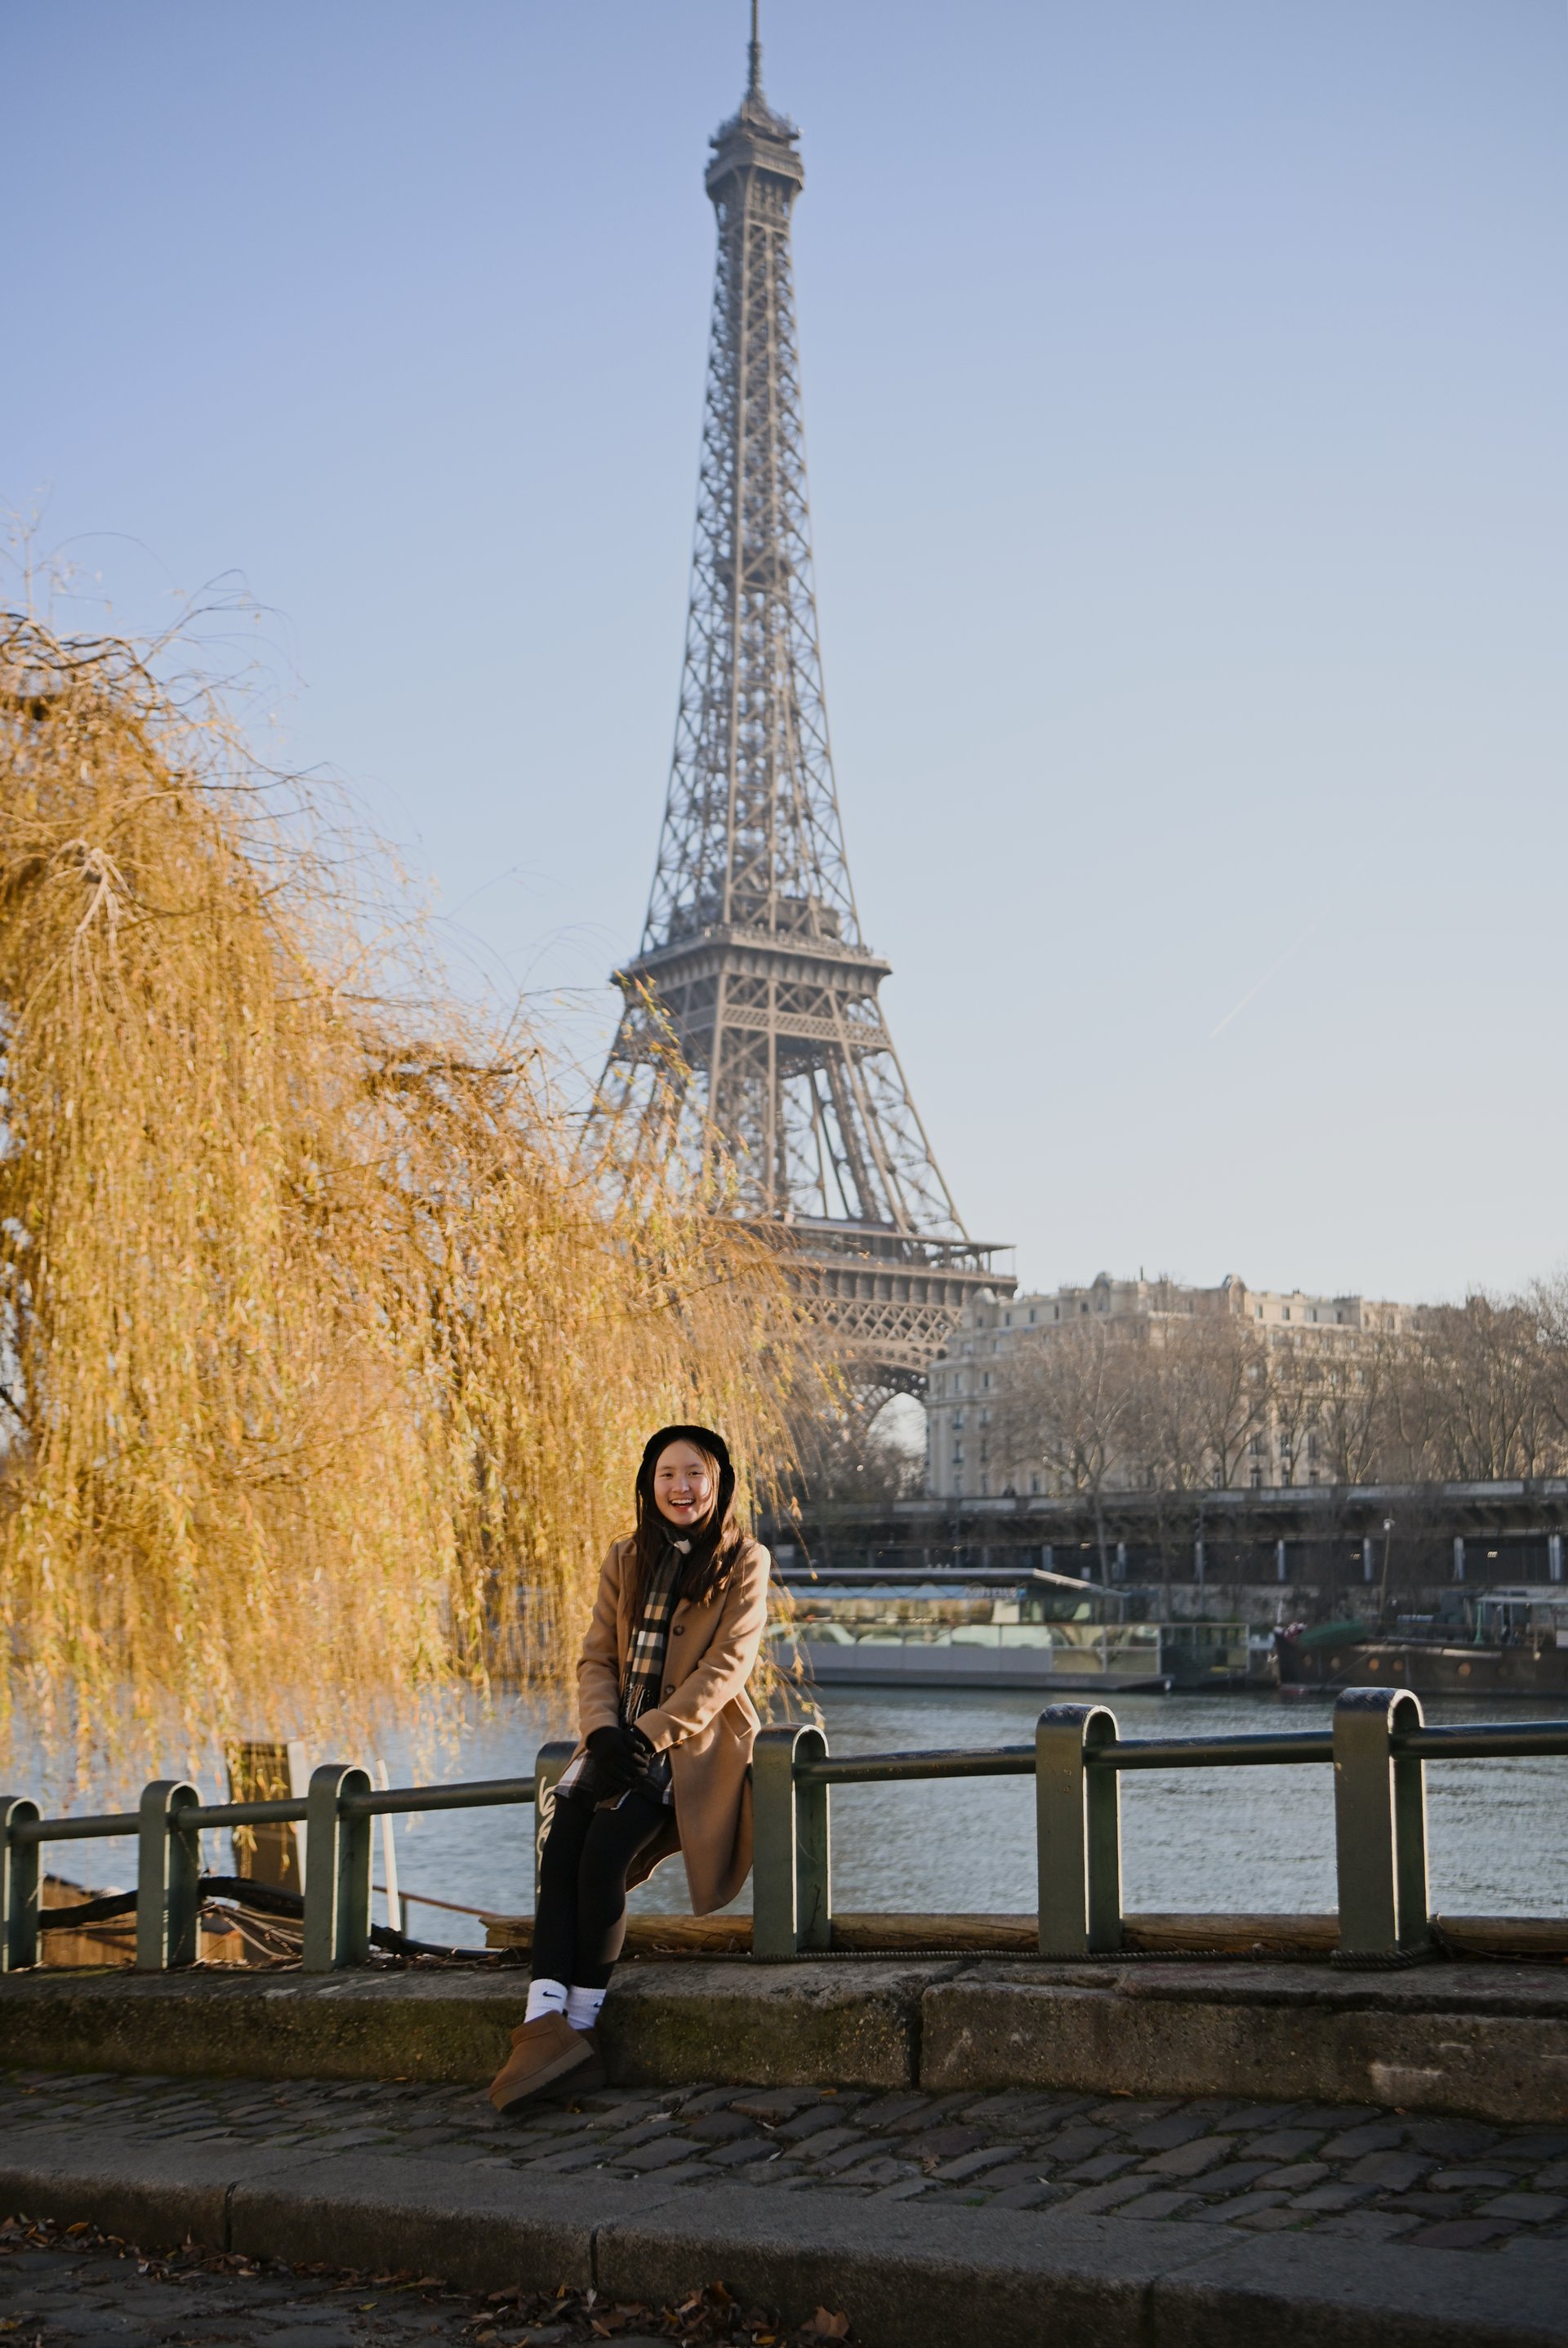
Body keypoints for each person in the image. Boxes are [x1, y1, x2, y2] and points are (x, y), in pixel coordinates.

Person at [488, 1423, 770, 2111]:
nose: (681, 1486)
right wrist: (601, 1730)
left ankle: (579, 2028)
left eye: (695, 1473)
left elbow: (726, 1668)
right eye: (668, 1473)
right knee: (560, 1854)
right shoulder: (625, 1556)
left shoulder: (745, 1559)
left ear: (718, 1483)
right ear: (649, 1483)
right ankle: (542, 2024)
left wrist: (648, 1732)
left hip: (685, 1743)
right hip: (614, 1736)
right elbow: (596, 1658)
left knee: (604, 1857)